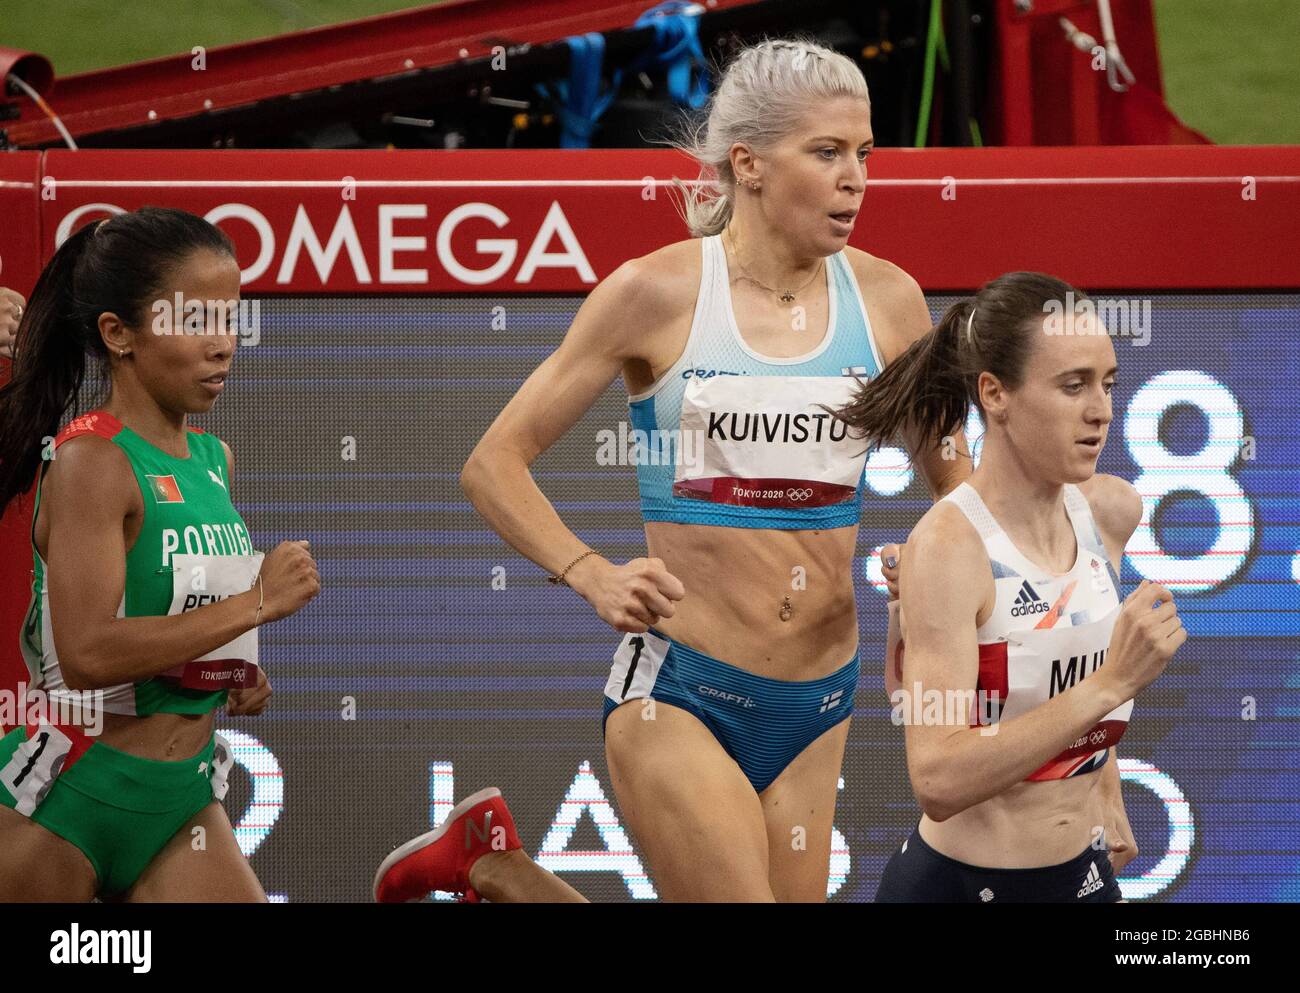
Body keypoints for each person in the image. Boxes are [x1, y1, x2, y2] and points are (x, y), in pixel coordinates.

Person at [374, 37, 970, 904]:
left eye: (865, 154)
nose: (856, 178)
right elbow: (492, 463)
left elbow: (960, 486)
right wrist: (588, 571)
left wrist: (929, 566)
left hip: (819, 703)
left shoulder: (889, 300)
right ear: (749, 165)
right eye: (828, 152)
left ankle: (496, 867)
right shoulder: (655, 295)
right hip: (682, 691)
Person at [0, 206, 320, 902]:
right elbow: (87, 653)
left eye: (230, 319)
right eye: (196, 321)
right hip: (69, 797)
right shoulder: (93, 460)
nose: (224, 344)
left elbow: (176, 617)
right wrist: (255, 602)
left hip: (181, 800)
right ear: (119, 335)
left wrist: (230, 670)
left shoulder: (213, 458)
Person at [839, 271, 1183, 902]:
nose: (1100, 411)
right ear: (995, 394)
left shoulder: (1110, 512)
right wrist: (1113, 681)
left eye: (1107, 384)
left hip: (1082, 878)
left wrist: (1101, 783)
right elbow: (937, 779)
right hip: (962, 887)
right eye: (1072, 385)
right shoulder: (947, 548)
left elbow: (1050, 675)